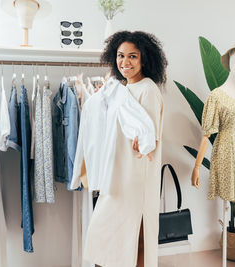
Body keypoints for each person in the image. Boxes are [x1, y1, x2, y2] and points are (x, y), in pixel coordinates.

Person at [83, 31, 167, 267]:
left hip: (135, 178)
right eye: (120, 56)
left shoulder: (147, 89)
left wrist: (140, 139)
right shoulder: (122, 88)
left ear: (144, 59)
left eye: (132, 56)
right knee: (107, 233)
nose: (125, 62)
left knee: (136, 234)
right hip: (118, 174)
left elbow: (148, 137)